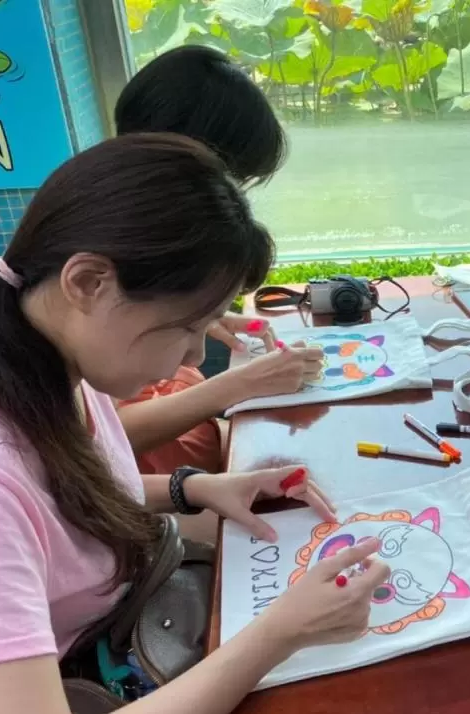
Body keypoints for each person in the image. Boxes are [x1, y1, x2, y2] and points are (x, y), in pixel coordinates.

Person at [0, 134, 389, 714]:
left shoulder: (44, 349)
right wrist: (277, 633)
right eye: (184, 327)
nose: (194, 357)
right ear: (87, 282)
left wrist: (193, 488)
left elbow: (50, 506)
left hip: (136, 609)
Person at [113, 45, 322, 495]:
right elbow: (95, 440)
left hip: (188, 472)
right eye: (230, 179)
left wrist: (201, 317)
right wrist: (240, 384)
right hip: (152, 494)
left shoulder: (141, 223)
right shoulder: (108, 252)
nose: (229, 198)